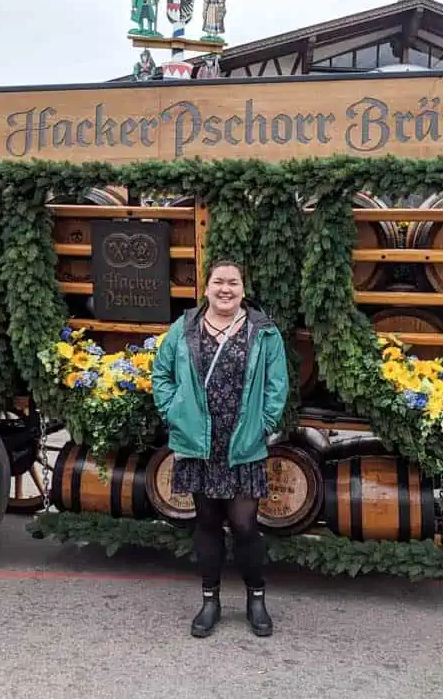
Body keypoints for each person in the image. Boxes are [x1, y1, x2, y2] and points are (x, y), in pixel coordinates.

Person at [151, 260, 289, 638]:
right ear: (206, 287)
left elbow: (277, 386)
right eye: (218, 282)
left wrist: (265, 425)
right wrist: (173, 412)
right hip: (199, 443)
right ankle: (210, 599)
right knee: (207, 523)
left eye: (233, 282)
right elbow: (161, 374)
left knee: (245, 525)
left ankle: (256, 598)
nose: (225, 289)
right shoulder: (185, 327)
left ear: (244, 289)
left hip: (243, 444)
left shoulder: (264, 332)